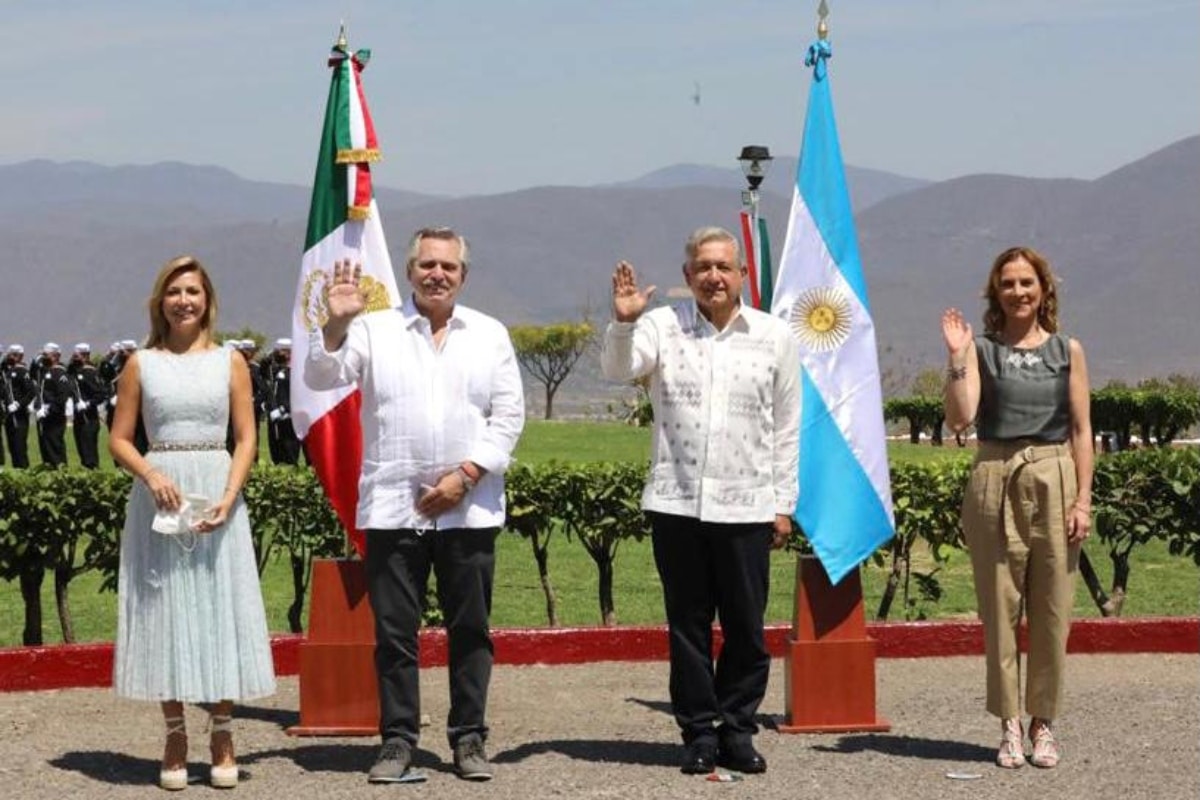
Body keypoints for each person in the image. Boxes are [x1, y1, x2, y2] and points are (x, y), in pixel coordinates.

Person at [304, 226, 524, 784]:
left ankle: (469, 738)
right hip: (393, 508)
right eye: (427, 264)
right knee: (395, 636)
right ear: (409, 272)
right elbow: (322, 374)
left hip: (467, 510)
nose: (437, 275)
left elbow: (508, 417)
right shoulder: (373, 330)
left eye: (448, 267)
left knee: (470, 629)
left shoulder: (490, 334)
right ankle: (397, 741)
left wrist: (467, 475)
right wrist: (334, 322)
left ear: (463, 276)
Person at [600, 226, 800, 776]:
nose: (714, 275)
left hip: (747, 505)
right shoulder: (662, 326)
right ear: (687, 276)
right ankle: (698, 735)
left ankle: (737, 731)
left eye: (724, 267)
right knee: (687, 626)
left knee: (746, 627)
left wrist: (782, 502)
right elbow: (618, 370)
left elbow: (786, 426)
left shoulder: (773, 335)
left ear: (741, 276)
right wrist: (622, 320)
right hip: (677, 501)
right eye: (703, 267)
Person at [109, 255, 276, 791]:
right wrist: (150, 472)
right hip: (161, 496)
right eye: (175, 291)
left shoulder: (231, 361)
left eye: (193, 292)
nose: (184, 300)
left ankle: (223, 732)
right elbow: (118, 438)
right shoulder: (140, 363)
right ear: (161, 300)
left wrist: (230, 496)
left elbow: (247, 437)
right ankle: (176, 733)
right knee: (167, 610)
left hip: (216, 492)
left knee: (216, 606)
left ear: (208, 301)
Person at [942, 245, 1093, 770]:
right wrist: (958, 358)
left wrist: (1083, 499)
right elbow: (961, 419)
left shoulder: (1066, 350)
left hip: (1054, 473)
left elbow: (1081, 429)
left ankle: (1043, 722)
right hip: (996, 473)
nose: (1018, 291)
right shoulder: (982, 350)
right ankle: (1008, 722)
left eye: (1027, 282)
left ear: (1044, 289)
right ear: (996, 292)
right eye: (1008, 283)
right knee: (1000, 609)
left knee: (1052, 609)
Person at [68, 343, 106, 469]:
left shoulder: (90, 372)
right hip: (78, 418)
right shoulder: (74, 371)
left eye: (77, 355)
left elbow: (100, 394)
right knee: (82, 452)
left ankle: (94, 476)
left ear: (85, 356)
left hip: (89, 418)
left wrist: (88, 403)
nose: (74, 358)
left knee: (89, 453)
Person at [264, 339, 301, 465]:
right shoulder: (279, 371)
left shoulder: (296, 372)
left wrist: (283, 409)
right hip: (278, 418)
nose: (276, 354)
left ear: (288, 353)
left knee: (290, 453)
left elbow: (297, 396)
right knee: (277, 452)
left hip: (289, 418)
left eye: (279, 351)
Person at [34, 342, 70, 466]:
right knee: (46, 447)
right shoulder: (44, 372)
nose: (44, 358)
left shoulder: (59, 373)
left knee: (55, 446)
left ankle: (60, 472)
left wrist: (48, 408)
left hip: (55, 417)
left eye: (46, 355)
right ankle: (49, 471)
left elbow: (62, 396)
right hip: (45, 417)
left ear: (55, 356)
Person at [2, 344, 34, 468]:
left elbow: (31, 392)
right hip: (9, 415)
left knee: (19, 446)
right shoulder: (8, 372)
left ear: (21, 356)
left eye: (15, 355)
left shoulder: (23, 372)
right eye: (11, 354)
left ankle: (23, 471)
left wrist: (19, 404)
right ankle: (17, 472)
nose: (12, 357)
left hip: (19, 415)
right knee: (12, 447)